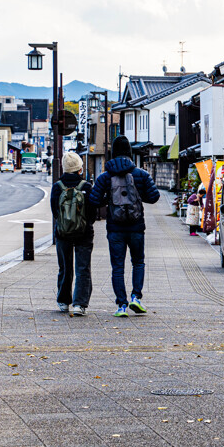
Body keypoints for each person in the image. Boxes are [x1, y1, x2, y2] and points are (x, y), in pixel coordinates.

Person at [88, 135, 160, 317]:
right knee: (138, 262)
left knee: (118, 267)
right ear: (129, 152)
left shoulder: (105, 176)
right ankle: (136, 297)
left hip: (115, 229)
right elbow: (154, 197)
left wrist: (110, 200)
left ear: (113, 153)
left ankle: (121, 305)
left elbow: (94, 200)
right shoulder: (140, 174)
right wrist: (137, 196)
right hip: (136, 228)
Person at [51, 152, 95, 316]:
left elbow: (55, 212)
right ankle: (79, 304)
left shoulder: (57, 187)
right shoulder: (86, 186)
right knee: (83, 268)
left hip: (63, 233)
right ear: (79, 169)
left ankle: (63, 301)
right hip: (84, 233)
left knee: (65, 267)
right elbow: (92, 211)